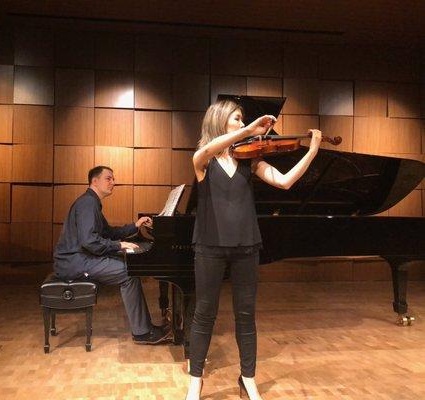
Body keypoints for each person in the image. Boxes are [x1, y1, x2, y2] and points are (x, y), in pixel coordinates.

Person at [185, 100, 322, 400]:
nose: (241, 123)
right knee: (204, 314)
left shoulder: (250, 161)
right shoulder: (203, 161)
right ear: (220, 121)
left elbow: (284, 182)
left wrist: (311, 152)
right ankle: (195, 380)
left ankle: (248, 379)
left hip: (247, 246)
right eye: (236, 118)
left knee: (245, 315)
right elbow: (205, 150)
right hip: (209, 247)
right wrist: (249, 129)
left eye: (242, 120)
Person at [53, 165, 170, 344]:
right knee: (127, 273)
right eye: (109, 178)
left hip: (79, 258)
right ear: (95, 181)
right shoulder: (87, 203)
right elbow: (89, 241)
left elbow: (108, 232)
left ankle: (144, 328)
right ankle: (142, 333)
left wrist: (135, 225)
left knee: (125, 265)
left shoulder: (91, 203)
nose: (113, 182)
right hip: (74, 262)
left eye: (113, 179)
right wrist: (118, 245)